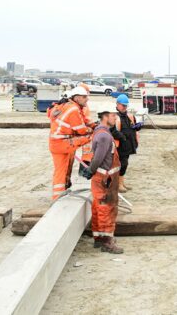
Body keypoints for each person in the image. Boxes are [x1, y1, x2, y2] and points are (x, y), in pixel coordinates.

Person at [80, 106, 124, 254]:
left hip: (103, 177)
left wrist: (91, 171)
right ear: (105, 116)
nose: (115, 118)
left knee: (99, 207)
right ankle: (107, 242)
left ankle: (99, 238)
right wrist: (91, 170)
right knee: (106, 208)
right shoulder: (104, 136)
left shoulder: (100, 132)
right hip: (106, 178)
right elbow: (98, 157)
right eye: (113, 115)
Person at [47, 86, 93, 200]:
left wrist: (93, 125)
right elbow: (81, 129)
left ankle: (59, 194)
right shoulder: (73, 109)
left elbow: (85, 120)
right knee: (90, 137)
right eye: (84, 97)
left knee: (61, 170)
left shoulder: (67, 106)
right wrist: (92, 130)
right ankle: (58, 197)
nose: (87, 100)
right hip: (62, 143)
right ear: (76, 98)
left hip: (57, 143)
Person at [112, 94, 143, 193]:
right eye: (122, 105)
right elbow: (112, 131)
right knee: (122, 165)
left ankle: (122, 183)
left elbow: (132, 127)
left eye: (126, 105)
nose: (124, 107)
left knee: (124, 165)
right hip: (119, 146)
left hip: (128, 145)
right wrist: (121, 136)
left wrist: (137, 127)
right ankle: (118, 185)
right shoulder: (114, 116)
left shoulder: (129, 116)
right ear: (117, 104)